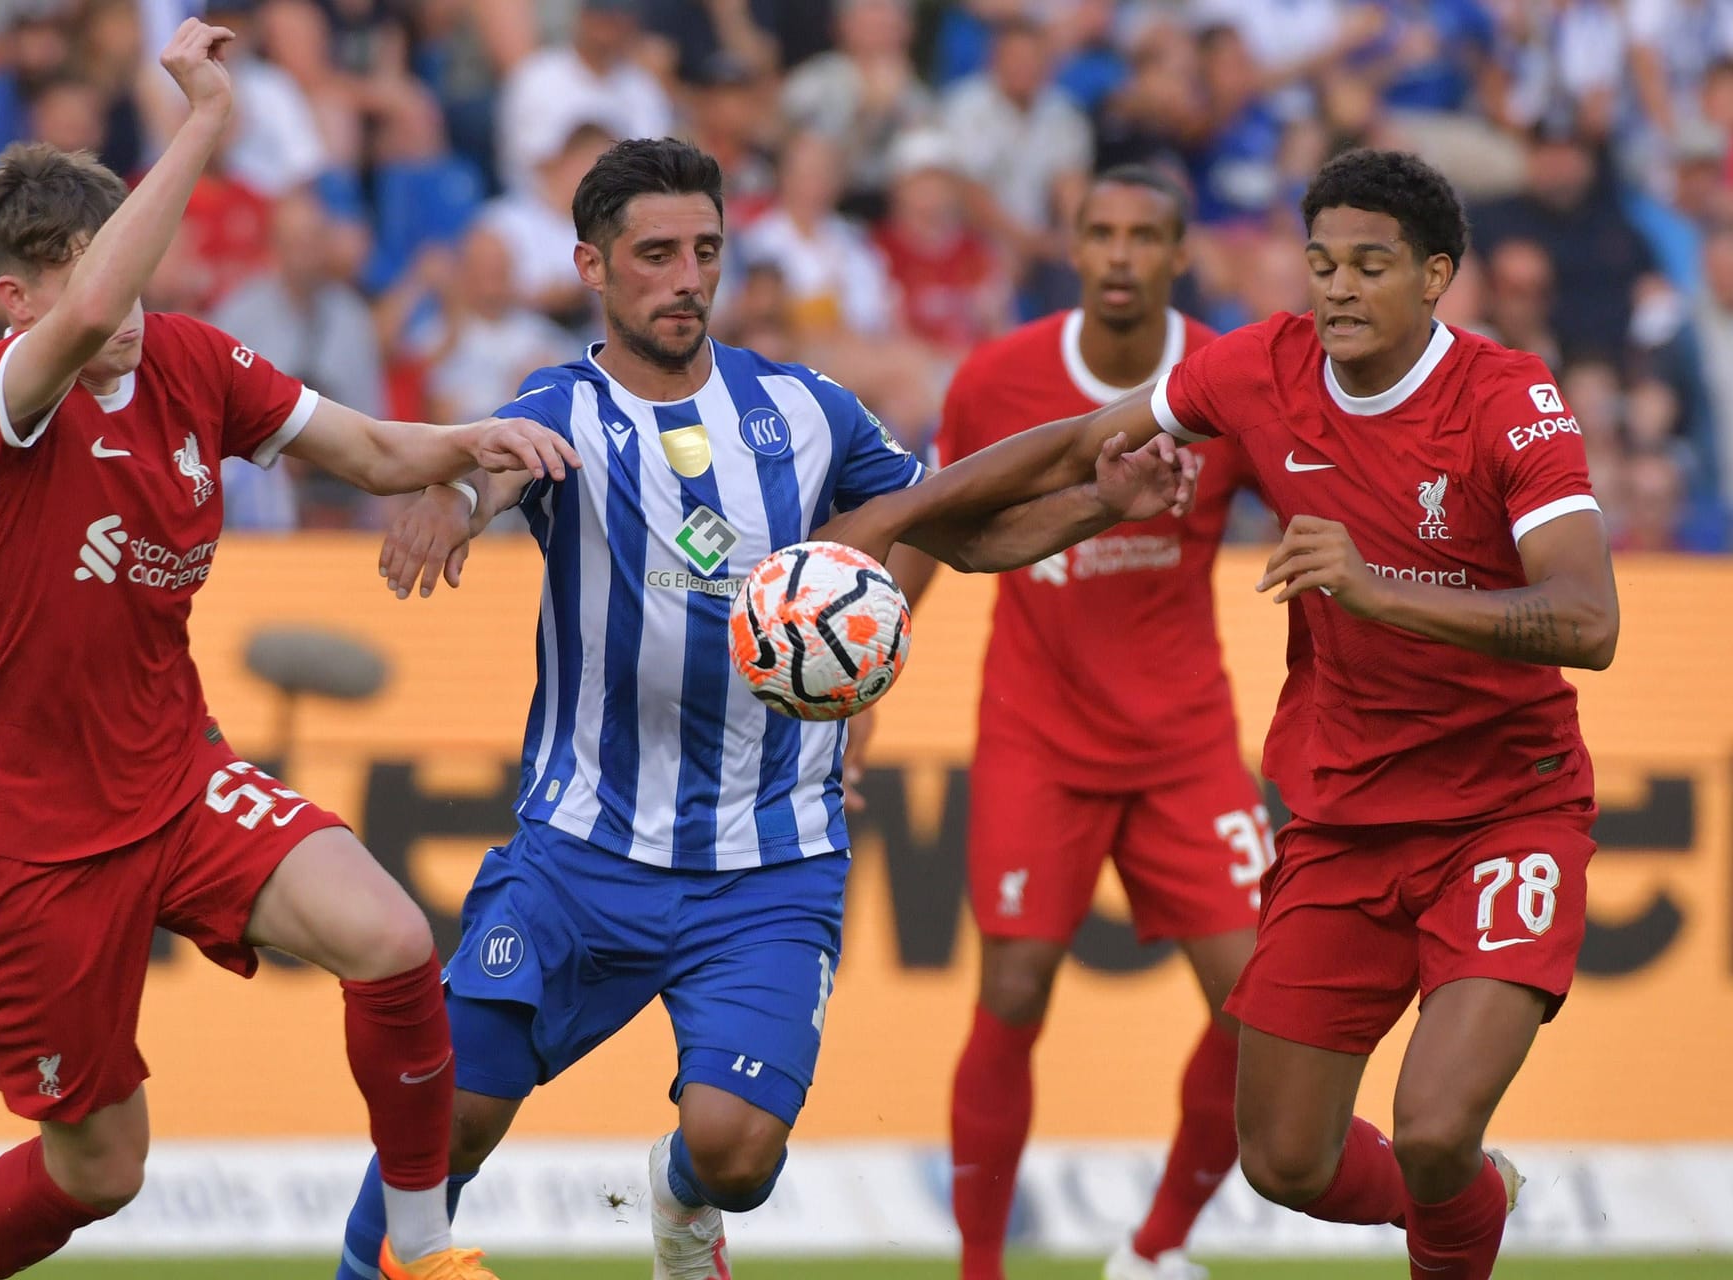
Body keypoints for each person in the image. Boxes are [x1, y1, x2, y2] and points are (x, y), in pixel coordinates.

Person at [335, 136, 1197, 1280]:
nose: (686, 276)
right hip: (581, 851)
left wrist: (1098, 499)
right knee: (443, 1128)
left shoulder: (806, 410)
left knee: (736, 1151)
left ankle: (684, 1206)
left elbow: (964, 532)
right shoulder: (566, 405)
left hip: (770, 860)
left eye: (705, 250)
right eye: (655, 254)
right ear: (592, 265)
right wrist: (452, 496)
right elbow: (501, 461)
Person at [824, 148, 1619, 1280]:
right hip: (1338, 809)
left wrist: (1374, 584)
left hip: (1503, 801)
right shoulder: (1253, 371)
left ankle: (1214, 1237)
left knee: (1435, 1122)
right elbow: (1068, 446)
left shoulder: (1509, 395)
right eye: (1321, 263)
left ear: (1438, 274)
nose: (1338, 287)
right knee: (1285, 1158)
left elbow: (1590, 620)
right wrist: (882, 520)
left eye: (1371, 265)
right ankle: (1456, 1199)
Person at [0, 21, 579, 1280]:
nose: (124, 309)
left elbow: (366, 452)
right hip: (33, 829)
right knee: (102, 1168)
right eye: (88, 281)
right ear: (15, 297)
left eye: (138, 274)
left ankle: (415, 1251)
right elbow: (92, 309)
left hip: (176, 773)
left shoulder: (196, 362)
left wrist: (479, 441)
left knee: (394, 938)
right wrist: (205, 119)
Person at [850, 166, 1268, 1280]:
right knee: (1015, 987)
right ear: (1072, 247)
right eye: (1100, 233)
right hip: (1038, 730)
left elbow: (1318, 499)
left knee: (1261, 1002)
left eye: (1144, 236)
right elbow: (929, 531)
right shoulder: (999, 379)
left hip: (1185, 739)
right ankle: (981, 1265)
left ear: (1180, 255)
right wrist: (859, 702)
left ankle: (1156, 1249)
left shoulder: (1232, 378)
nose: (1120, 255)